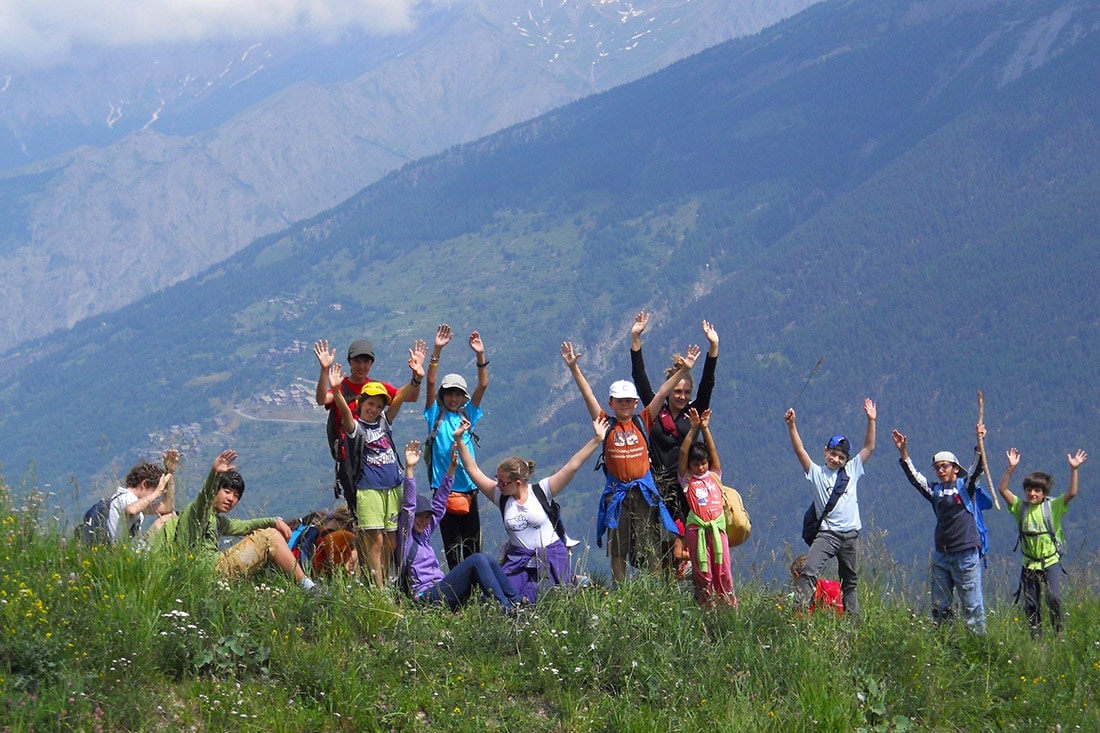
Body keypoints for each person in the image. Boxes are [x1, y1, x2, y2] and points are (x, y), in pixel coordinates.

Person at [561, 340, 698, 583]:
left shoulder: (643, 420)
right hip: (617, 495)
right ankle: (621, 591)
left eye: (629, 401)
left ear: (636, 404)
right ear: (611, 403)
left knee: (651, 544)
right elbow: (588, 395)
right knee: (618, 548)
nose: (624, 404)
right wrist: (574, 368)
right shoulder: (606, 423)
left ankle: (655, 593)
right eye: (619, 401)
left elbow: (664, 391)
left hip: (644, 493)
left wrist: (683, 369)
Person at [453, 415, 609, 603]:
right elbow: (473, 470)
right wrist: (459, 440)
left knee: (544, 599)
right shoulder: (501, 497)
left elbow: (572, 466)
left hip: (550, 557)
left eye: (503, 482)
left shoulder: (542, 491)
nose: (498, 484)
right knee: (500, 598)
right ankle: (571, 581)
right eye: (497, 479)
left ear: (517, 483)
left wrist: (597, 440)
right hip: (518, 560)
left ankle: (573, 581)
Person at [159, 449, 322, 595]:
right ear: (216, 491)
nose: (231, 499)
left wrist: (273, 521)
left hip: (213, 570)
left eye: (236, 496)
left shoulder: (217, 520)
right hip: (210, 571)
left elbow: (244, 526)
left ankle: (292, 587)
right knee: (269, 537)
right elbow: (204, 498)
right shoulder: (197, 514)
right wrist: (214, 475)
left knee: (266, 535)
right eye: (227, 491)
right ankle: (310, 589)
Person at [329, 342, 425, 589]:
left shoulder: (384, 421)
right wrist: (337, 391)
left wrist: (416, 378)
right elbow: (344, 412)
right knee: (375, 540)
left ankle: (383, 581)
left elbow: (400, 398)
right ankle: (380, 590)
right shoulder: (356, 428)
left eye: (378, 405)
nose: (373, 409)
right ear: (361, 403)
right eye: (369, 404)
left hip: (392, 488)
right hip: (369, 489)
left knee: (391, 540)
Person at [630, 312, 720, 571]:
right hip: (657, 484)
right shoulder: (655, 410)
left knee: (687, 542)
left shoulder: (695, 411)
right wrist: (636, 339)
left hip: (687, 486)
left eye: (686, 392)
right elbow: (639, 376)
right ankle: (663, 586)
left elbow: (708, 383)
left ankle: (690, 583)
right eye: (677, 391)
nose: (682, 396)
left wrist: (713, 348)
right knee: (658, 542)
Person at [395, 440, 519, 612]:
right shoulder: (405, 538)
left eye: (426, 517)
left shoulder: (424, 534)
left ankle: (517, 603)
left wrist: (451, 470)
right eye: (419, 517)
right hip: (427, 597)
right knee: (477, 560)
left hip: (441, 588)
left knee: (487, 559)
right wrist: (409, 469)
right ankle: (505, 609)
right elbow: (409, 506)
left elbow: (439, 505)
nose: (424, 521)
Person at [891, 425, 992, 634]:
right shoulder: (935, 490)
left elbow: (977, 468)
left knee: (972, 605)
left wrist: (979, 443)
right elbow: (914, 478)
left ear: (955, 468)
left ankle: (980, 646)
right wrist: (903, 451)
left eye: (944, 466)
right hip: (942, 554)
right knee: (939, 605)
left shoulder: (966, 486)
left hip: (966, 553)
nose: (940, 470)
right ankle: (945, 642)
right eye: (937, 467)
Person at [784, 398, 876, 619]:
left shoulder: (853, 470)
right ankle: (799, 615)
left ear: (847, 459)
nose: (836, 459)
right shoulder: (816, 473)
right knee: (808, 572)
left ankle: (854, 622)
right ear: (825, 451)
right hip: (827, 535)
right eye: (833, 454)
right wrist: (792, 426)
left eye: (841, 457)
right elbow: (800, 451)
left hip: (850, 535)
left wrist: (871, 420)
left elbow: (869, 447)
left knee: (850, 581)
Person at [997, 447, 1088, 634]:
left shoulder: (1053, 507)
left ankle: (1058, 633)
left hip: (1050, 562)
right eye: (1029, 489)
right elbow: (1002, 489)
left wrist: (1074, 469)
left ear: (1044, 492)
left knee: (1054, 598)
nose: (1032, 494)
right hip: (1029, 564)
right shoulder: (1019, 508)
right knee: (1031, 604)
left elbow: (1071, 493)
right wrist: (1010, 470)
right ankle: (1036, 638)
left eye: (1037, 490)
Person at [423, 324, 490, 570]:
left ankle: (474, 590)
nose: (453, 398)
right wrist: (437, 350)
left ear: (463, 397)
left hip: (470, 489)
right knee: (452, 548)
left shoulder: (468, 413)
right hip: (444, 491)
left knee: (473, 547)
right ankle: (458, 593)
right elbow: (430, 382)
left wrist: (480, 355)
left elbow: (482, 386)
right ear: (443, 394)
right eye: (449, 393)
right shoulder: (434, 415)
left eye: (457, 394)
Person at [677, 408, 735, 608]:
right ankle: (707, 605)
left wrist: (705, 429)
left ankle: (727, 605)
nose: (700, 468)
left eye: (703, 463)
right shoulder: (687, 480)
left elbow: (713, 451)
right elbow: (684, 451)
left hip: (718, 530)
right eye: (695, 465)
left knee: (723, 569)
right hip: (697, 530)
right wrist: (693, 429)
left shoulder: (714, 475)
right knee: (703, 571)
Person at [107, 449, 181, 544]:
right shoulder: (126, 497)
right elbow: (131, 510)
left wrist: (170, 472)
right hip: (123, 552)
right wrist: (156, 493)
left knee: (169, 516)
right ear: (144, 484)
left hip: (127, 550)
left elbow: (167, 508)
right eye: (154, 490)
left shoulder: (133, 501)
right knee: (167, 520)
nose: (155, 499)